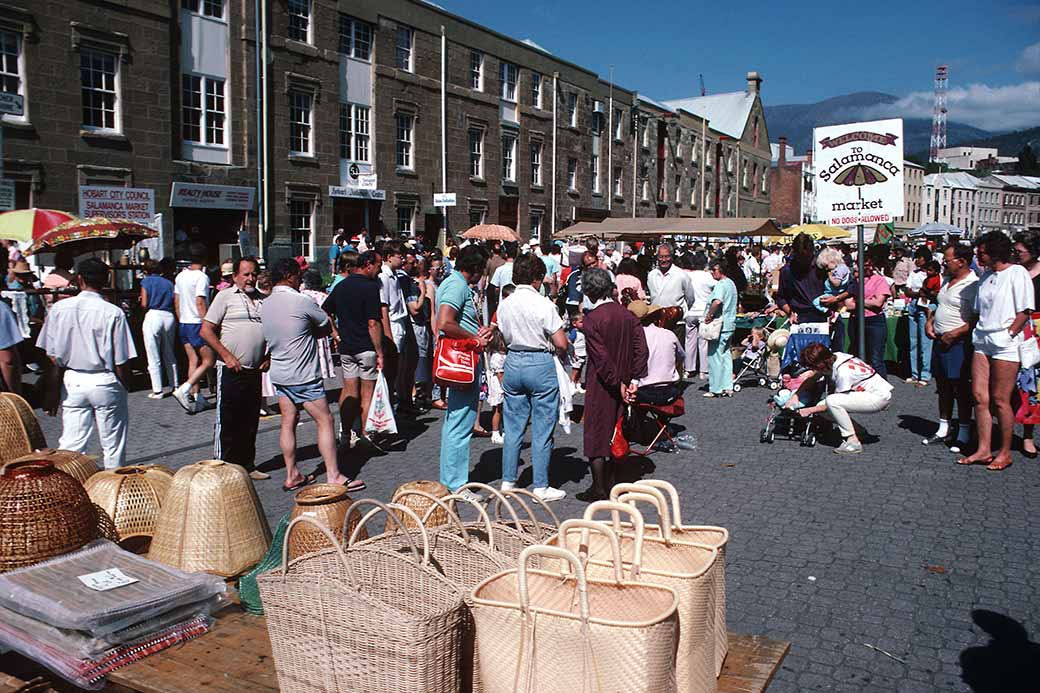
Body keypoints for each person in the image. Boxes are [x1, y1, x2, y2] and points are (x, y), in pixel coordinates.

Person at [261, 258, 364, 491]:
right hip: (303, 373)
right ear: (289, 276)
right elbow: (325, 325)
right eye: (298, 275)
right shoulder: (301, 301)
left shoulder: (265, 304)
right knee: (325, 420)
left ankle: (291, 474)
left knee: (288, 422)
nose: (300, 280)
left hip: (279, 371)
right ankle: (333, 474)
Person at [37, 259, 135, 468]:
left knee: (71, 444)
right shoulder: (113, 312)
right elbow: (121, 360)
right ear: (106, 280)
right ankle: (112, 488)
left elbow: (51, 355)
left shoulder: (59, 309)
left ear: (79, 279)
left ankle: (69, 485)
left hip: (73, 379)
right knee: (113, 445)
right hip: (104, 378)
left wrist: (52, 388)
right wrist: (124, 387)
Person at [957, 232, 1034, 471]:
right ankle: (983, 449)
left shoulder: (1017, 273)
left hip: (1005, 342)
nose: (978, 256)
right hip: (982, 339)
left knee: (1001, 399)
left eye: (982, 251)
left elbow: (1025, 310)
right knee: (980, 397)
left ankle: (1004, 452)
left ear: (994, 251)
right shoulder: (986, 276)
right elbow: (980, 309)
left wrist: (1009, 333)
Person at [497, 253, 569, 501]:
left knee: (513, 427)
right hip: (539, 361)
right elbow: (561, 342)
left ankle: (508, 480)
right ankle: (540, 486)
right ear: (537, 278)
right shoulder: (544, 304)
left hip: (514, 360)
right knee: (542, 427)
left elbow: (503, 335)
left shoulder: (505, 303)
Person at [578, 268, 648, 502]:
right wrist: (634, 381)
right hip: (626, 379)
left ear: (590, 291)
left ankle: (599, 487)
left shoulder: (592, 320)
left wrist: (617, 383)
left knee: (598, 433)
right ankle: (616, 481)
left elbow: (601, 358)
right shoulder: (628, 316)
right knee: (619, 429)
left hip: (602, 384)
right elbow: (641, 351)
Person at [201, 257, 270, 481]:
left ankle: (247, 465)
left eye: (253, 274)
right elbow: (206, 330)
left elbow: (272, 333)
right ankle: (223, 469)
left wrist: (268, 356)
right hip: (231, 369)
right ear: (235, 276)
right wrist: (226, 355)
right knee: (228, 419)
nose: (250, 279)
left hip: (254, 371)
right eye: (246, 274)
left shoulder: (262, 300)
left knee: (250, 420)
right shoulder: (225, 297)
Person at [436, 244, 492, 500]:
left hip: (467, 357)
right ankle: (456, 484)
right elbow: (445, 322)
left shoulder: (458, 285)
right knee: (459, 423)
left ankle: (453, 480)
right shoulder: (456, 285)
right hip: (462, 360)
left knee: (458, 421)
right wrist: (474, 338)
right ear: (476, 268)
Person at [323, 251, 385, 451]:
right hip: (365, 347)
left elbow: (325, 311)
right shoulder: (370, 287)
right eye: (378, 265)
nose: (379, 269)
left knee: (350, 392)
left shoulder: (341, 285)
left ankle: (344, 434)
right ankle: (366, 436)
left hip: (347, 347)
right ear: (367, 265)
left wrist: (336, 334)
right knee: (367, 394)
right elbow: (373, 323)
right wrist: (380, 351)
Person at [923, 243, 978, 453]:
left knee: (960, 388)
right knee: (943, 386)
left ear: (962, 262)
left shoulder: (972, 285)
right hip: (940, 340)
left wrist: (956, 333)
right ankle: (943, 427)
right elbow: (938, 304)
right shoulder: (947, 280)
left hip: (958, 343)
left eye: (948, 260)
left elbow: (975, 318)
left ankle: (963, 431)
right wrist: (930, 321)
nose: (944, 263)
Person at [795, 342, 893, 454]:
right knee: (823, 405)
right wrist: (795, 396)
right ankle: (860, 432)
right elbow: (813, 378)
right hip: (874, 392)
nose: (813, 369)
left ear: (821, 363)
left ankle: (852, 442)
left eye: (813, 366)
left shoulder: (843, 372)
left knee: (832, 401)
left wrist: (809, 410)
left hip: (878, 398)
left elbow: (832, 403)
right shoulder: (836, 357)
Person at [172, 243, 214, 413]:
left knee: (193, 361)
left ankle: (197, 398)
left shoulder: (180, 276)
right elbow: (200, 301)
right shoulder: (202, 277)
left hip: (184, 322)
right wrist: (207, 324)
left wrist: (180, 319)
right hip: (197, 322)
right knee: (208, 361)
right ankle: (185, 388)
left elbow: (176, 301)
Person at [1013, 231, 1040, 458]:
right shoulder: (1014, 272)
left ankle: (1028, 435)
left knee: (1030, 387)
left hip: (1036, 335)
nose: (1016, 255)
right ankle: (1003, 429)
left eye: (1020, 252)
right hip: (1013, 331)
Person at [629, 301, 684, 404]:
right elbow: (681, 356)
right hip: (669, 389)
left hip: (643, 389)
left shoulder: (633, 337)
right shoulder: (669, 334)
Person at [139, 260, 177, 399]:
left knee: (153, 354)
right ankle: (175, 384)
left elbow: (144, 303)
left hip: (153, 314)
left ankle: (158, 389)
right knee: (169, 353)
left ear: (146, 270)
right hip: (168, 316)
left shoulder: (146, 282)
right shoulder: (168, 283)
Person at [848, 256, 892, 378]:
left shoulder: (879, 280)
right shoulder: (854, 281)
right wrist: (869, 300)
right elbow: (848, 305)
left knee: (876, 358)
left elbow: (878, 303)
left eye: (871, 265)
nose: (870, 268)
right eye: (866, 265)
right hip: (856, 320)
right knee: (857, 357)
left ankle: (881, 388)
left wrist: (859, 300)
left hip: (874, 321)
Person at [703, 259, 738, 398]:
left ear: (721, 270)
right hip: (729, 323)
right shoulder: (731, 283)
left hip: (720, 325)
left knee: (714, 356)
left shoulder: (721, 285)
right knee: (725, 355)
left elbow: (717, 301)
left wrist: (709, 315)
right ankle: (727, 386)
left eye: (714, 269)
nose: (712, 272)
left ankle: (716, 387)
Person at [904, 247, 934, 386]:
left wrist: (921, 293)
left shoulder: (931, 273)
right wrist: (918, 293)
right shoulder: (914, 273)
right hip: (914, 304)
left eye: (920, 257)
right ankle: (914, 373)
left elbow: (931, 291)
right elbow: (908, 291)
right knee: (913, 341)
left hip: (925, 306)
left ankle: (925, 374)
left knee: (925, 342)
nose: (917, 260)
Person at [683, 253, 716, 380]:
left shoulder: (688, 276)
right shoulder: (708, 276)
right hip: (704, 311)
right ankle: (704, 370)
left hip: (690, 311)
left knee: (689, 341)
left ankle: (689, 368)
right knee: (703, 342)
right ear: (705, 264)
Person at [300, 269, 336, 382]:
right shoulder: (323, 297)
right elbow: (330, 316)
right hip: (321, 333)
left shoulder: (300, 295)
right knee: (320, 360)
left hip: (305, 333)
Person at [484, 326, 507, 444]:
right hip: (498, 385)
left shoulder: (500, 355)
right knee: (497, 409)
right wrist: (505, 387)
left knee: (501, 409)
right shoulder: (497, 357)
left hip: (499, 384)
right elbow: (500, 375)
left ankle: (501, 429)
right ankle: (495, 432)